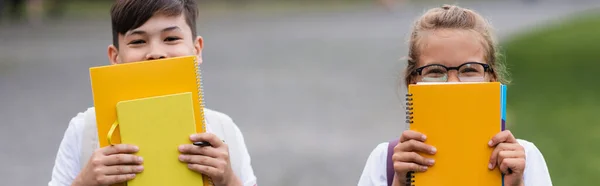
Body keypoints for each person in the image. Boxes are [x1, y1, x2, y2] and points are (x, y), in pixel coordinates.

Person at [48, 1, 257, 186]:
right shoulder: (84, 132)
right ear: (115, 57)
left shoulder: (225, 130)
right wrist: (84, 183)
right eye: (138, 41)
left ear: (197, 50)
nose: (156, 53)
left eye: (171, 38)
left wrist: (228, 180)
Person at [357, 5, 552, 186]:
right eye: (434, 71)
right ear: (413, 83)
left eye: (468, 70)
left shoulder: (524, 159)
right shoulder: (385, 161)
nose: (452, 82)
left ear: (491, 79)